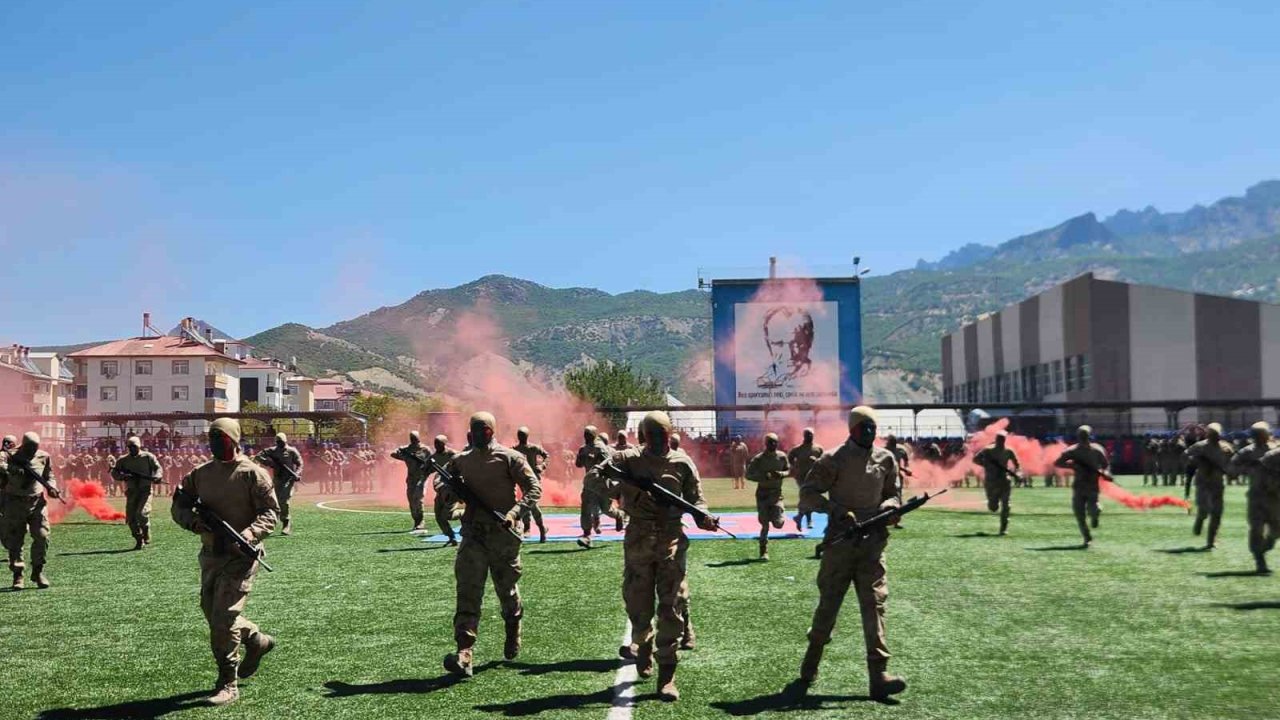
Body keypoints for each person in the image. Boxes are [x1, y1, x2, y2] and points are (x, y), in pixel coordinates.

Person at [604, 411, 716, 702]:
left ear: (669, 435)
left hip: (671, 542)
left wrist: (703, 515)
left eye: (661, 435)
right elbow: (597, 475)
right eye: (651, 435)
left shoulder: (682, 463)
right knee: (636, 604)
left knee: (671, 607)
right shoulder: (628, 459)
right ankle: (643, 646)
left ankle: (667, 677)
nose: (656, 440)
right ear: (643, 436)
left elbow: (696, 499)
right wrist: (613, 478)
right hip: (638, 540)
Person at [797, 406, 906, 700]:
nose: (869, 433)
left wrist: (891, 508)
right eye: (863, 428)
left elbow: (894, 493)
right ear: (852, 429)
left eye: (872, 428)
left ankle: (879, 675)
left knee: (875, 607)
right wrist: (837, 511)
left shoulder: (887, 459)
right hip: (840, 545)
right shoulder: (833, 459)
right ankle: (810, 666)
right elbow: (808, 493)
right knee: (828, 608)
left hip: (873, 546)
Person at [170, 418, 279, 705]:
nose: (215, 444)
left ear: (234, 440)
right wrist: (194, 523)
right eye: (212, 439)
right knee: (211, 612)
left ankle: (227, 683)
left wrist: (249, 534)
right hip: (210, 555)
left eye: (221, 439)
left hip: (241, 556)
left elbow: (270, 513)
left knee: (224, 618)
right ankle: (256, 640)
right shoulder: (200, 474)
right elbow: (179, 504)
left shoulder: (252, 474)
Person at [442, 412, 540, 678]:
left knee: (506, 589)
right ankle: (465, 651)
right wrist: (451, 491)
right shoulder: (460, 461)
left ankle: (513, 628)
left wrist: (514, 513)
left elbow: (533, 488)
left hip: (503, 534)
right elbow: (442, 485)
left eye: (484, 430)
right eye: (475, 429)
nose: (480, 434)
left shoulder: (510, 458)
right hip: (473, 534)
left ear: (492, 431)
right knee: (468, 591)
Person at [0, 432, 59, 589]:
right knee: (15, 540)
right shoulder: (9, 455)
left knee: (42, 536)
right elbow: (1, 464)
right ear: (23, 445)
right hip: (14, 502)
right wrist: (12, 469)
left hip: (37, 502)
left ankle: (38, 571)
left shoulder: (43, 456)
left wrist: (52, 487)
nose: (33, 450)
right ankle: (18, 574)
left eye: (35, 447)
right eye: (30, 447)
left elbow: (49, 475)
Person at [1228, 422, 1280, 573]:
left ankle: (1265, 547)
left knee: (1277, 529)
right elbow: (1232, 469)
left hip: (1275, 496)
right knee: (1256, 529)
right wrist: (1248, 468)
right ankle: (1260, 561)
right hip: (1257, 495)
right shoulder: (1246, 452)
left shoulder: (1275, 449)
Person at [1054, 425, 1109, 547]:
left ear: (1089, 436)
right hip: (1079, 485)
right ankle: (1087, 537)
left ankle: (1095, 516)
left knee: (1093, 509)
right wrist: (1072, 466)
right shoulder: (1072, 451)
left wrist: (1105, 474)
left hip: (1092, 485)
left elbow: (1105, 465)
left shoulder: (1097, 450)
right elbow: (1058, 463)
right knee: (1079, 514)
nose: (1083, 438)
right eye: (1081, 436)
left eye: (1085, 436)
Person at [1185, 422, 1236, 550]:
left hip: (1218, 483)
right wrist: (1196, 461)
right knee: (1204, 509)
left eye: (1217, 434)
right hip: (1203, 482)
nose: (1215, 437)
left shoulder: (1226, 447)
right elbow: (1185, 455)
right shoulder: (1200, 447)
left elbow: (1232, 463)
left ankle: (1211, 541)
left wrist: (1232, 472)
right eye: (1212, 434)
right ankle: (1200, 519)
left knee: (1217, 512)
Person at [112, 435, 163, 549]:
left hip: (145, 490)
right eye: (129, 447)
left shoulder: (148, 457)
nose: (132, 449)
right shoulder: (123, 460)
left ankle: (145, 530)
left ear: (139, 446)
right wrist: (123, 477)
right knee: (131, 518)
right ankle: (139, 539)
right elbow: (115, 473)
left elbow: (158, 468)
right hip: (131, 491)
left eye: (134, 446)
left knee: (141, 513)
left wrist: (157, 476)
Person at [576, 426, 623, 548]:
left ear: (594, 435)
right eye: (585, 434)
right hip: (589, 483)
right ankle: (586, 535)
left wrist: (599, 464)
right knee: (585, 508)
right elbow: (578, 464)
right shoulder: (583, 449)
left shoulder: (600, 448)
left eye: (588, 434)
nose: (586, 437)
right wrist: (581, 457)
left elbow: (610, 463)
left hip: (602, 483)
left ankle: (618, 515)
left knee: (606, 509)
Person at [745, 432, 789, 560]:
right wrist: (763, 477)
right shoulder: (759, 459)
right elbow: (748, 475)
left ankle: (779, 512)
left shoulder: (782, 457)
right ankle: (763, 551)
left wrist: (781, 474)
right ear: (765, 443)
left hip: (776, 495)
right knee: (765, 525)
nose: (773, 444)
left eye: (775, 442)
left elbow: (789, 470)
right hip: (763, 494)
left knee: (779, 524)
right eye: (770, 442)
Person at [254, 433, 303, 536]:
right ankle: (274, 521)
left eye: (281, 442)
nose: (280, 444)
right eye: (278, 442)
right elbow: (258, 456)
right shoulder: (272, 450)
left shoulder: (292, 451)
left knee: (284, 500)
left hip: (288, 479)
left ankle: (286, 523)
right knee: (275, 501)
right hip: (277, 479)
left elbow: (300, 464)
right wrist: (270, 463)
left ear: (285, 441)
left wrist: (297, 474)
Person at [973, 431, 1021, 535]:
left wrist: (1018, 474)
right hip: (991, 481)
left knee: (1006, 504)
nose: (1001, 441)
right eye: (999, 439)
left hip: (1004, 480)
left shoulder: (1009, 451)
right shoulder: (987, 450)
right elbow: (975, 459)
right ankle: (992, 503)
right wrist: (986, 465)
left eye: (1002, 439)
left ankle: (1003, 528)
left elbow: (1017, 464)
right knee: (993, 506)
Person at [513, 426, 550, 543]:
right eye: (520, 435)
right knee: (528, 503)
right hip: (523, 480)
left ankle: (539, 528)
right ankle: (534, 527)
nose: (521, 437)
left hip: (534, 480)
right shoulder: (514, 449)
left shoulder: (533, 448)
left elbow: (546, 456)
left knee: (531, 504)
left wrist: (542, 466)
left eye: (523, 435)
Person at [391, 431, 431, 532]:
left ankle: (421, 521)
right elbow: (393, 454)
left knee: (418, 498)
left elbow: (432, 461)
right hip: (411, 478)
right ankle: (416, 520)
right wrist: (403, 452)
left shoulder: (425, 450)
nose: (414, 441)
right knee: (411, 500)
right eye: (412, 439)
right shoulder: (407, 450)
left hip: (422, 478)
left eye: (415, 439)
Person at [788, 427, 824, 532]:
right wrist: (794, 466)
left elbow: (824, 460)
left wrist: (816, 460)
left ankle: (799, 517)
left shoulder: (818, 448)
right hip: (801, 477)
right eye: (807, 435)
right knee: (807, 496)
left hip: (814, 477)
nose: (809, 437)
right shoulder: (798, 449)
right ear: (804, 436)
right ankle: (809, 520)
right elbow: (790, 456)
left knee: (808, 498)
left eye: (811, 435)